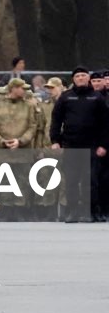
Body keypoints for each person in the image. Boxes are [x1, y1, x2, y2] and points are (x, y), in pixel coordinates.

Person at [49, 67, 109, 222]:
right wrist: (55, 141)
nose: (81, 78)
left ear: (87, 78)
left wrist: (104, 145)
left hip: (92, 146)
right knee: (72, 181)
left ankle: (92, 212)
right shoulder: (66, 97)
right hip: (71, 145)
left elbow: (105, 123)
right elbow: (56, 120)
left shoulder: (96, 98)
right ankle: (72, 212)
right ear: (73, 79)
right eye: (78, 76)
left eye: (83, 75)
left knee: (91, 181)